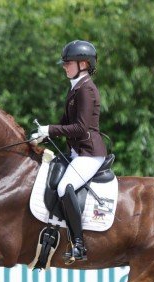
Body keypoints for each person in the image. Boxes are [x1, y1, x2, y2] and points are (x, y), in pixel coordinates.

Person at [32, 40, 107, 262]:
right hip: (76, 151)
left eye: (68, 63)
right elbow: (65, 123)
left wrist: (50, 129)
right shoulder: (75, 87)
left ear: (83, 64)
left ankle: (79, 244)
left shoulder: (87, 90)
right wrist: (45, 134)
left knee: (66, 187)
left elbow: (81, 128)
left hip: (89, 152)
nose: (64, 66)